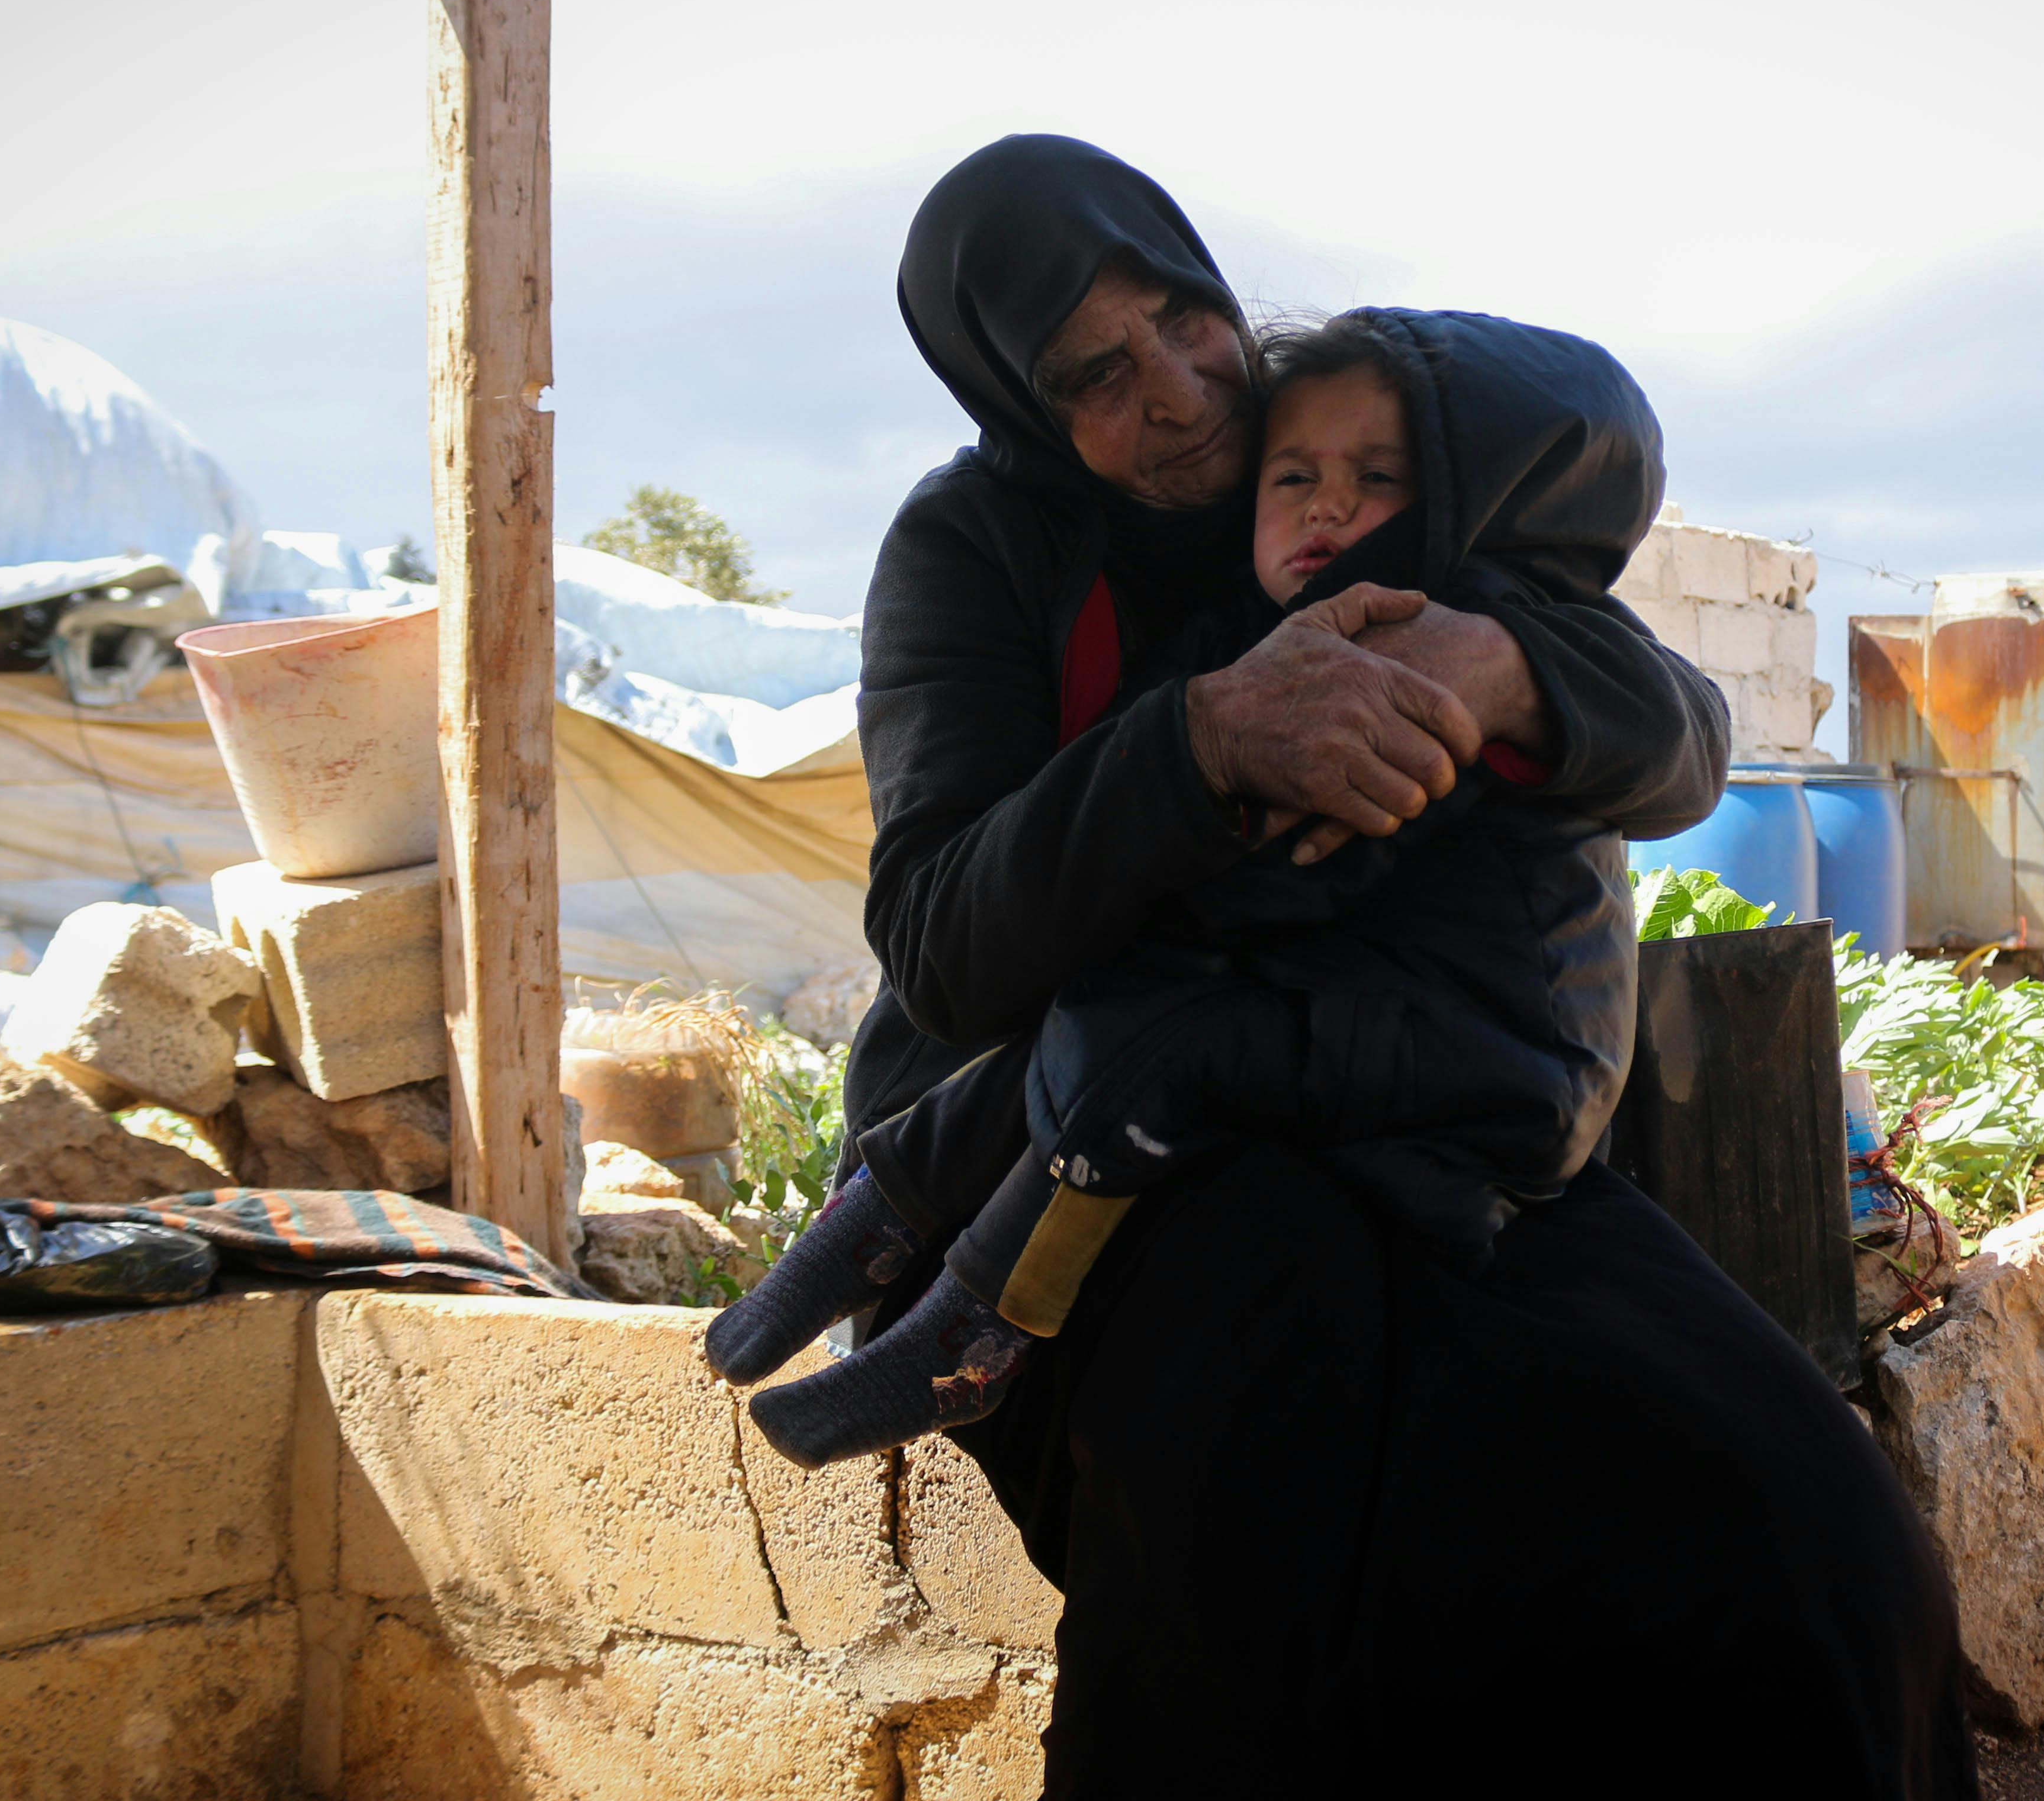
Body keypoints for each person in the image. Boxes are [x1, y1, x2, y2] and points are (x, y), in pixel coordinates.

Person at [725, 134, 1976, 1797]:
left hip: (1410, 1103)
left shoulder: (1362, 463)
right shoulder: (977, 550)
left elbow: (1680, 737)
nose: (1179, 391)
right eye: (1094, 374)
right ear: (1016, 401)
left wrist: (1504, 667)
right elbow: (946, 944)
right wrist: (1201, 741)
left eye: (1184, 318)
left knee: (1796, 1518)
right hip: (1067, 1155)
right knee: (1275, 1500)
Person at [715, 305, 1671, 1469]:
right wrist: (1187, 768)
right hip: (1349, 1003)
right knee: (1085, 1036)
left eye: (1377, 479)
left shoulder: (1434, 642)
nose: (1325, 509)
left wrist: (1173, 863)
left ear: (1462, 494)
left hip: (1485, 1049)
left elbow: (1305, 871)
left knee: (1145, 1048)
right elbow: (963, 926)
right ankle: (871, 1223)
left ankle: (976, 1331)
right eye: (1294, 477)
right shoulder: (1073, 573)